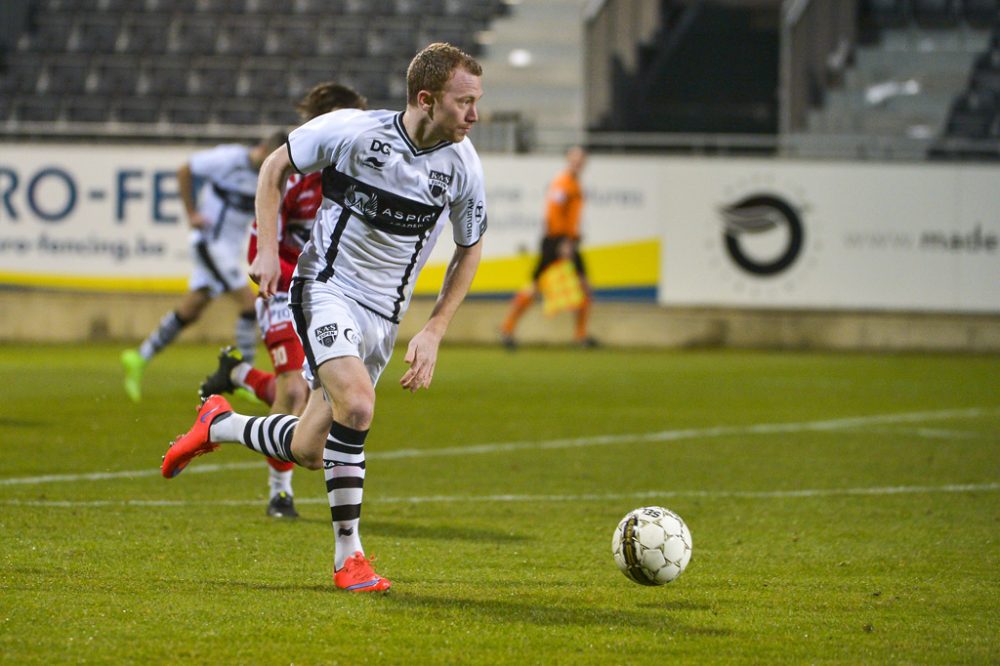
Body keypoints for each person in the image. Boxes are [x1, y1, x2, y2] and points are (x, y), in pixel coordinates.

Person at [162, 42, 487, 593]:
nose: (475, 115)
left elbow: (470, 247)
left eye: (478, 101)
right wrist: (267, 248)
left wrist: (434, 329)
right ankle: (349, 558)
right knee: (357, 406)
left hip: (384, 318)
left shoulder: (463, 167)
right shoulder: (356, 132)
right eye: (465, 102)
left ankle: (219, 423)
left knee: (311, 449)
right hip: (326, 288)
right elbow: (274, 165)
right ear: (426, 100)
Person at [199, 82, 368, 520]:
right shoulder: (295, 169)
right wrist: (266, 263)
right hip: (285, 283)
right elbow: (266, 224)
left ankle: (236, 372)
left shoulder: (359, 169)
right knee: (294, 390)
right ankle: (280, 493)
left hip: (330, 291)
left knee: (315, 392)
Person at [120, 131, 288, 402]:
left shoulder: (271, 177)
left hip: (227, 251)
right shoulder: (228, 158)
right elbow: (185, 170)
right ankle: (246, 378)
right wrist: (191, 213)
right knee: (249, 305)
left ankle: (139, 357)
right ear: (262, 148)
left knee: (192, 309)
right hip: (209, 244)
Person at [499, 146, 597, 348]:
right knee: (542, 287)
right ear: (568, 160)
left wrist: (573, 236)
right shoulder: (563, 183)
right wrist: (564, 242)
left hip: (565, 240)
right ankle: (507, 329)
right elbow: (554, 214)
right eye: (575, 159)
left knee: (580, 286)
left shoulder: (573, 183)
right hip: (558, 241)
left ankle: (580, 336)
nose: (578, 163)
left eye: (581, 160)